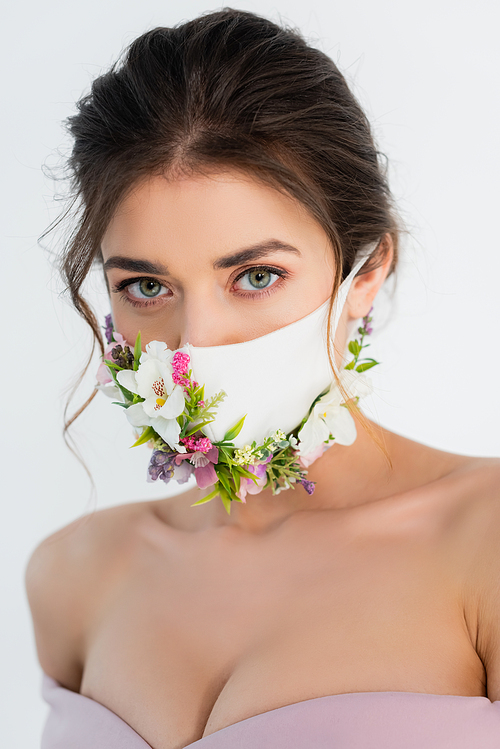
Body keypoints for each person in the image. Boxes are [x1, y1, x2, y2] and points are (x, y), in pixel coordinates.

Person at [26, 8, 500, 749]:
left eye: (255, 274)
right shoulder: (71, 574)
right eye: (147, 287)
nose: (197, 343)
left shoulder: (484, 541)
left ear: (366, 268)